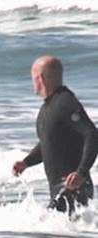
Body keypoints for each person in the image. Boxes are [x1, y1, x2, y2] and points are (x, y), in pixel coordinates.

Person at [12, 56, 98, 214]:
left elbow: (92, 134)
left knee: (49, 232)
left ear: (40, 78)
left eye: (33, 78)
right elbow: (48, 142)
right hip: (62, 190)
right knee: (57, 234)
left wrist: (81, 172)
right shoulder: (48, 107)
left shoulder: (65, 102)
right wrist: (26, 162)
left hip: (73, 188)